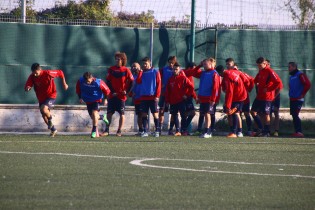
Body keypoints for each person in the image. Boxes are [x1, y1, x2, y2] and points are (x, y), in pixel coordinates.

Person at [24, 63, 68, 137]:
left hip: (51, 95)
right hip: (41, 98)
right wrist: (28, 88)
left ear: (40, 70)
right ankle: (53, 130)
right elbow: (27, 85)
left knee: (44, 109)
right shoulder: (32, 76)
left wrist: (64, 83)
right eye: (33, 72)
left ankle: (50, 120)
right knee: (44, 115)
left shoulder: (48, 73)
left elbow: (61, 72)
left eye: (36, 73)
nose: (35, 74)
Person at [250, 57, 281, 137]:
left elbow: (278, 82)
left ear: (265, 64)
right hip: (259, 96)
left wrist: (269, 89)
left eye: (260, 65)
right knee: (253, 111)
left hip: (267, 97)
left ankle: (266, 132)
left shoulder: (270, 71)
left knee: (266, 114)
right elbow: (255, 80)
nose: (258, 67)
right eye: (258, 66)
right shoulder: (261, 71)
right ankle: (261, 128)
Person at [105, 52, 134, 136]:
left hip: (121, 96)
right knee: (109, 113)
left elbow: (132, 81)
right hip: (112, 96)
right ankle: (106, 130)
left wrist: (127, 91)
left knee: (122, 113)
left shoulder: (126, 70)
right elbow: (108, 81)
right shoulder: (111, 69)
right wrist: (112, 92)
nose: (117, 60)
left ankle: (119, 131)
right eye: (116, 59)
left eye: (119, 59)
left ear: (123, 60)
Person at [191, 58, 221, 138]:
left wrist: (213, 99)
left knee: (208, 114)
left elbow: (216, 88)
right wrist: (199, 66)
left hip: (209, 98)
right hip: (202, 98)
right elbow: (193, 72)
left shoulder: (214, 74)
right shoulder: (203, 73)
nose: (204, 66)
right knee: (204, 114)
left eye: (205, 64)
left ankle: (208, 132)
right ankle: (207, 131)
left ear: (211, 64)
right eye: (203, 64)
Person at [221, 58, 250, 138]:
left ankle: (238, 131)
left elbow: (247, 81)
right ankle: (232, 131)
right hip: (232, 98)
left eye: (229, 64)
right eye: (226, 64)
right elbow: (225, 87)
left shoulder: (238, 72)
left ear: (233, 65)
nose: (227, 66)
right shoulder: (226, 74)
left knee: (236, 113)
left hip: (239, 97)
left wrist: (242, 89)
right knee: (230, 114)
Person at [76, 72, 110, 138]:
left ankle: (94, 131)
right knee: (94, 117)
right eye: (86, 81)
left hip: (96, 100)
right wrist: (80, 98)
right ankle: (103, 117)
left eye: (88, 81)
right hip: (88, 101)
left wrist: (106, 99)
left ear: (92, 78)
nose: (87, 83)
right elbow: (78, 90)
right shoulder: (80, 81)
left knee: (94, 114)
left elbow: (107, 91)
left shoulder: (98, 82)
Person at [165, 62, 195, 136]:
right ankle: (177, 130)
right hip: (173, 101)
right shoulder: (170, 79)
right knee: (174, 115)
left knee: (183, 115)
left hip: (181, 100)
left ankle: (183, 130)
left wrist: (187, 95)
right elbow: (168, 91)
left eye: (176, 69)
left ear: (179, 70)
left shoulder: (183, 78)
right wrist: (167, 101)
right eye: (174, 69)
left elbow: (191, 87)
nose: (175, 71)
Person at [136, 57, 161, 137]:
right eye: (143, 64)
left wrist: (157, 95)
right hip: (143, 97)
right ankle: (145, 131)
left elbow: (159, 84)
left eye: (146, 63)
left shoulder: (155, 72)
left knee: (155, 114)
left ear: (149, 63)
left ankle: (157, 131)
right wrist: (140, 72)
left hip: (153, 97)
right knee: (144, 114)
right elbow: (138, 81)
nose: (144, 65)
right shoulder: (142, 72)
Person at [288, 62, 311, 137]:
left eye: (290, 67)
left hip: (298, 99)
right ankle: (297, 131)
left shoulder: (300, 74)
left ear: (294, 67)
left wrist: (302, 94)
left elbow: (307, 84)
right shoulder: (291, 76)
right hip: (292, 98)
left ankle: (299, 131)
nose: (289, 69)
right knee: (294, 115)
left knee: (295, 114)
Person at [234, 63, 255, 136]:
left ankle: (249, 129)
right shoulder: (229, 74)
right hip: (235, 98)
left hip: (244, 98)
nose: (234, 69)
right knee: (237, 114)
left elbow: (252, 80)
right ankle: (237, 130)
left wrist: (249, 89)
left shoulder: (242, 74)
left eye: (235, 68)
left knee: (246, 113)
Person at [159, 56, 177, 133]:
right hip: (164, 93)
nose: (171, 64)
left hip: (173, 94)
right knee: (161, 110)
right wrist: (161, 85)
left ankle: (171, 129)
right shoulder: (163, 70)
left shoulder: (177, 70)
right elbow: (158, 78)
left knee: (173, 112)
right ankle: (159, 127)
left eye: (172, 63)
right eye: (169, 63)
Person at [266, 60, 283, 137]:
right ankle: (268, 130)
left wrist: (274, 96)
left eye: (267, 64)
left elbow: (279, 86)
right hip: (267, 98)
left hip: (274, 98)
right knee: (267, 113)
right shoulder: (262, 74)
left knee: (276, 113)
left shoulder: (273, 74)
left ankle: (276, 131)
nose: (266, 65)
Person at [129, 62, 144, 135]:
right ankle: (141, 129)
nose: (133, 68)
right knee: (139, 114)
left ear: (139, 67)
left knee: (144, 114)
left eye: (135, 66)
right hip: (136, 98)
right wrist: (131, 92)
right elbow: (132, 86)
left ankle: (145, 129)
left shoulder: (143, 74)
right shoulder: (132, 76)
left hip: (143, 97)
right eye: (132, 67)